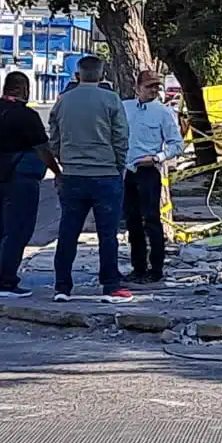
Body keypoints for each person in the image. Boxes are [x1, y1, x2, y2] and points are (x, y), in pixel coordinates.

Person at [0, 71, 62, 297]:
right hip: (20, 178)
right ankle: (6, 281)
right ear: (24, 89)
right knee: (18, 229)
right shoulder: (25, 115)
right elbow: (43, 149)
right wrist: (57, 172)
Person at [48, 56, 132, 302]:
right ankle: (110, 285)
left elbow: (54, 137)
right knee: (107, 234)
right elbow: (121, 138)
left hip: (73, 175)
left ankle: (62, 287)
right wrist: (118, 167)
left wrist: (64, 163)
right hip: (105, 174)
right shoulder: (111, 100)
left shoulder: (64, 102)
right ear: (102, 74)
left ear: (78, 74)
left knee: (68, 232)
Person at [122, 70, 183, 284]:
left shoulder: (163, 113)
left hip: (148, 170)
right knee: (132, 221)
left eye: (156, 86)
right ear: (137, 88)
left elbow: (177, 144)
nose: (153, 90)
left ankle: (156, 269)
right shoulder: (124, 108)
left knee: (151, 220)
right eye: (149, 87)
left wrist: (157, 157)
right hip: (126, 171)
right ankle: (138, 267)